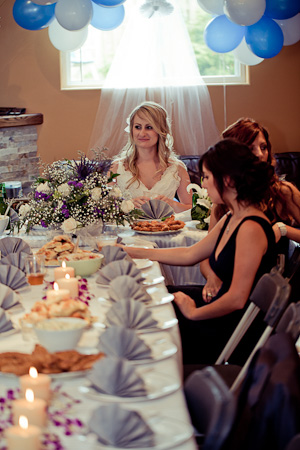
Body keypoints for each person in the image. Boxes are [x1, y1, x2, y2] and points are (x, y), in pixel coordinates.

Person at [122, 139, 277, 364]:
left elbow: (236, 299)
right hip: (220, 309)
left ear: (228, 180)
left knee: (149, 318)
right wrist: (130, 251)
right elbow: (190, 254)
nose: (203, 185)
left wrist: (193, 312)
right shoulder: (232, 216)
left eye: (206, 177)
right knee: (149, 296)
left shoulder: (251, 227)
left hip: (233, 328)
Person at [200, 118, 300, 301]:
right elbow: (204, 255)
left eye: (263, 147)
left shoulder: (283, 192)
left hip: (265, 296)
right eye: (251, 148)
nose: (260, 154)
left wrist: (283, 230)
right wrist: (212, 278)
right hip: (229, 289)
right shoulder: (222, 200)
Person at [109, 101, 193, 212]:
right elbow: (104, 209)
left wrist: (172, 204)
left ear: (161, 131)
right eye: (138, 127)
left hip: (167, 228)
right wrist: (127, 205)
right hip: (129, 229)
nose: (142, 133)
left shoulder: (177, 168)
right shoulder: (116, 168)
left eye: (149, 127)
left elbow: (191, 209)